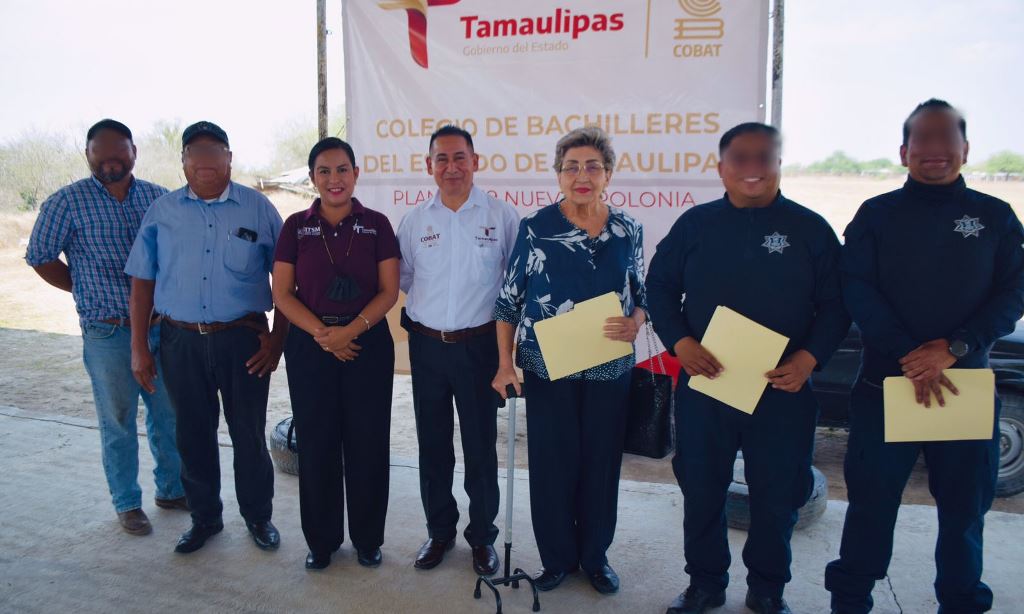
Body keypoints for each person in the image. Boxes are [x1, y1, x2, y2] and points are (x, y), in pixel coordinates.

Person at [824, 99, 1024, 614]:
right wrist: (912, 354)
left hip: (965, 386)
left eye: (945, 139)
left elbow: (1013, 293)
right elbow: (857, 289)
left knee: (964, 511)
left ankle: (960, 601)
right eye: (922, 140)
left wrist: (952, 349)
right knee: (871, 505)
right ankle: (851, 599)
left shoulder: (994, 216)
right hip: (885, 388)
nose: (934, 150)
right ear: (903, 152)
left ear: (965, 149)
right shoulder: (876, 214)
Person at [646, 122, 850, 614]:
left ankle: (767, 587)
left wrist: (808, 358)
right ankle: (706, 583)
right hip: (707, 383)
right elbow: (659, 288)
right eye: (741, 158)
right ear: (721, 169)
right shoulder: (695, 226)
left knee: (778, 494)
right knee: (701, 487)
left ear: (780, 164)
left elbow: (839, 305)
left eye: (765, 157)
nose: (753, 168)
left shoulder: (810, 229)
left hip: (782, 389)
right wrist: (680, 342)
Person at [492, 125, 648, 595]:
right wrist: (504, 364)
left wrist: (637, 319)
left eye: (592, 166)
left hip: (610, 369)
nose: (582, 175)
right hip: (548, 368)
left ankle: (595, 558)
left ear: (608, 174)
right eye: (571, 167)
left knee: (600, 465)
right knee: (553, 464)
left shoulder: (628, 229)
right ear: (558, 175)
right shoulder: (536, 227)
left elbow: (642, 295)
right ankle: (557, 559)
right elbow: (507, 302)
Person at [125, 121, 288, 554]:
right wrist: (139, 346)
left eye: (215, 152)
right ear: (183, 161)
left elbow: (289, 280)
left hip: (244, 340)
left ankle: (258, 518)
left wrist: (278, 340)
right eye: (195, 153)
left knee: (248, 435)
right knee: (192, 434)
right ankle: (205, 519)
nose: (205, 162)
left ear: (229, 158)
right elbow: (142, 282)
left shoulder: (259, 209)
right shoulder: (162, 212)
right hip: (180, 342)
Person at [25, 118, 186, 536]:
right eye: (102, 156)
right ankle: (127, 503)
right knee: (117, 420)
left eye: (119, 154)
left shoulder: (158, 199)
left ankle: (171, 489)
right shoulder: (66, 202)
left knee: (168, 414)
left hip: (159, 327)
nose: (110, 163)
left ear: (134, 152)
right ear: (88, 156)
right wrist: (81, 288)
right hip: (107, 331)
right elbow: (40, 256)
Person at [271, 137, 399, 570]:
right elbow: (282, 295)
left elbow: (389, 290)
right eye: (324, 171)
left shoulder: (378, 224)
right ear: (312, 179)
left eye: (342, 169)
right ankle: (321, 542)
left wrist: (351, 331)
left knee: (367, 443)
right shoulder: (295, 227)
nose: (334, 179)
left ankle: (367, 540)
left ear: (356, 174)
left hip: (367, 342)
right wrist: (325, 335)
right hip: (311, 345)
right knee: (318, 443)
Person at [396, 125, 519, 576]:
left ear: (475, 161)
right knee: (433, 445)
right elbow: (408, 281)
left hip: (480, 348)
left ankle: (482, 537)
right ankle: (440, 531)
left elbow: (514, 287)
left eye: (459, 157)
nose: (451, 167)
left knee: (480, 446)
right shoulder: (414, 221)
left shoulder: (502, 217)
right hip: (428, 348)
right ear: (429, 166)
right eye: (442, 159)